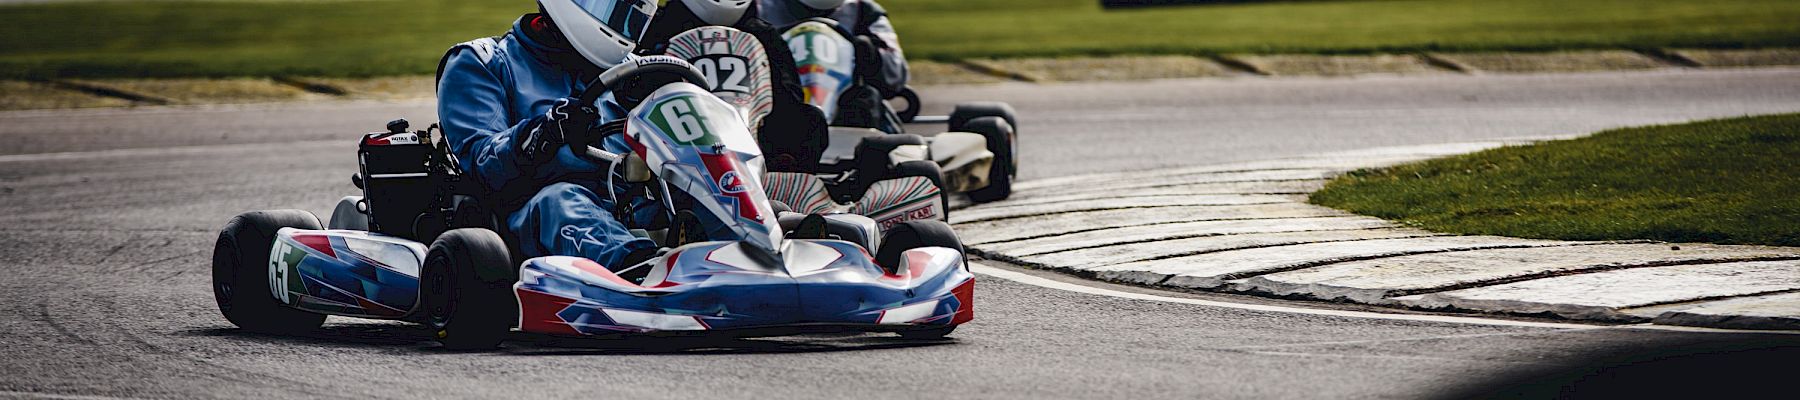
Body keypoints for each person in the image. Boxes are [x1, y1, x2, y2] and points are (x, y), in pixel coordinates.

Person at [435, 0, 664, 273]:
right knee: (562, 200)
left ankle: (717, 262)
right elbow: (481, 160)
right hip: (532, 214)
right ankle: (643, 275)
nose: (617, 19)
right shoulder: (484, 61)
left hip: (627, 203)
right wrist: (542, 133)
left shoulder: (635, 71)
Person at [634, 0, 830, 174]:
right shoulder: (660, 27)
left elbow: (790, 98)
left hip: (753, 139)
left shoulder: (762, 35)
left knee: (811, 122)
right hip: (676, 138)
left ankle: (778, 185)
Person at [758, 0, 909, 132]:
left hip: (844, 107)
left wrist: (870, 53)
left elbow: (895, 77)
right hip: (779, 100)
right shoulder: (759, 8)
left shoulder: (863, 10)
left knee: (866, 99)